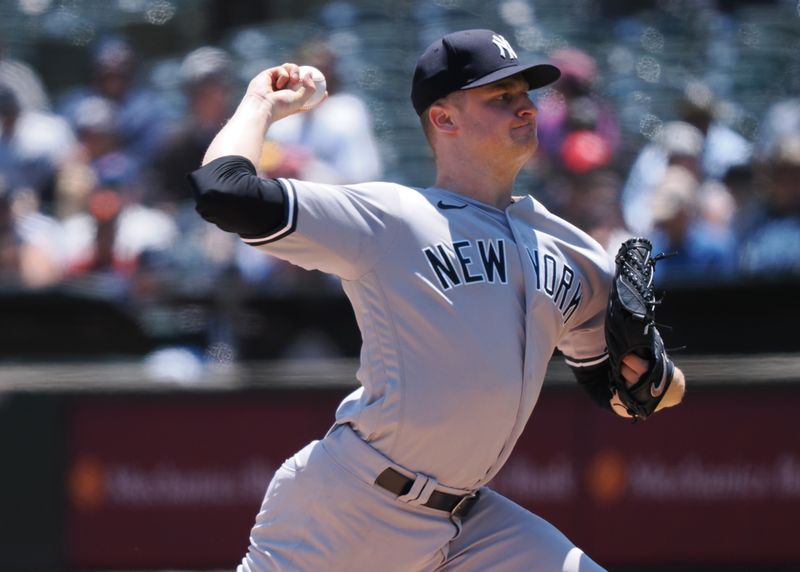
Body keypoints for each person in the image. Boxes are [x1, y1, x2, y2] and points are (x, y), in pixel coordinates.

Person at [189, 29, 686, 571]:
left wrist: (650, 377)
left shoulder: (577, 253)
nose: (524, 108)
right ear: (444, 120)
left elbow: (627, 391)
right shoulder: (393, 219)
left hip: (469, 525)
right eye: (501, 98)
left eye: (526, 95)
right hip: (347, 510)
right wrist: (261, 102)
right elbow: (224, 191)